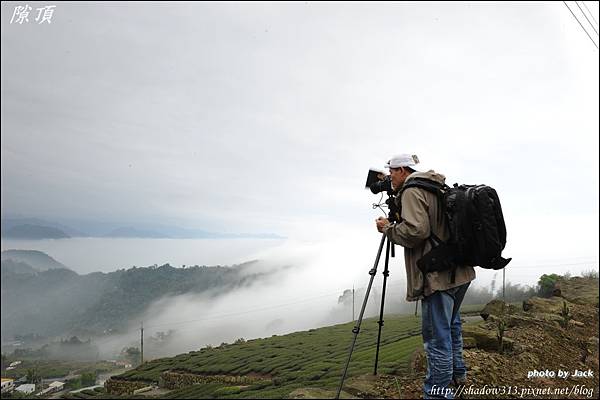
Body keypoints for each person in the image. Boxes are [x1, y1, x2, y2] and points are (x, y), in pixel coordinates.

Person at [375, 154, 475, 399]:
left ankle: (438, 394)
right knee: (452, 326)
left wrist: (388, 228)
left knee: (436, 337)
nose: (389, 178)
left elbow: (416, 230)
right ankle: (457, 375)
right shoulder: (434, 185)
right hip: (459, 270)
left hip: (437, 275)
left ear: (401, 170)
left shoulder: (411, 190)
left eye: (391, 173)